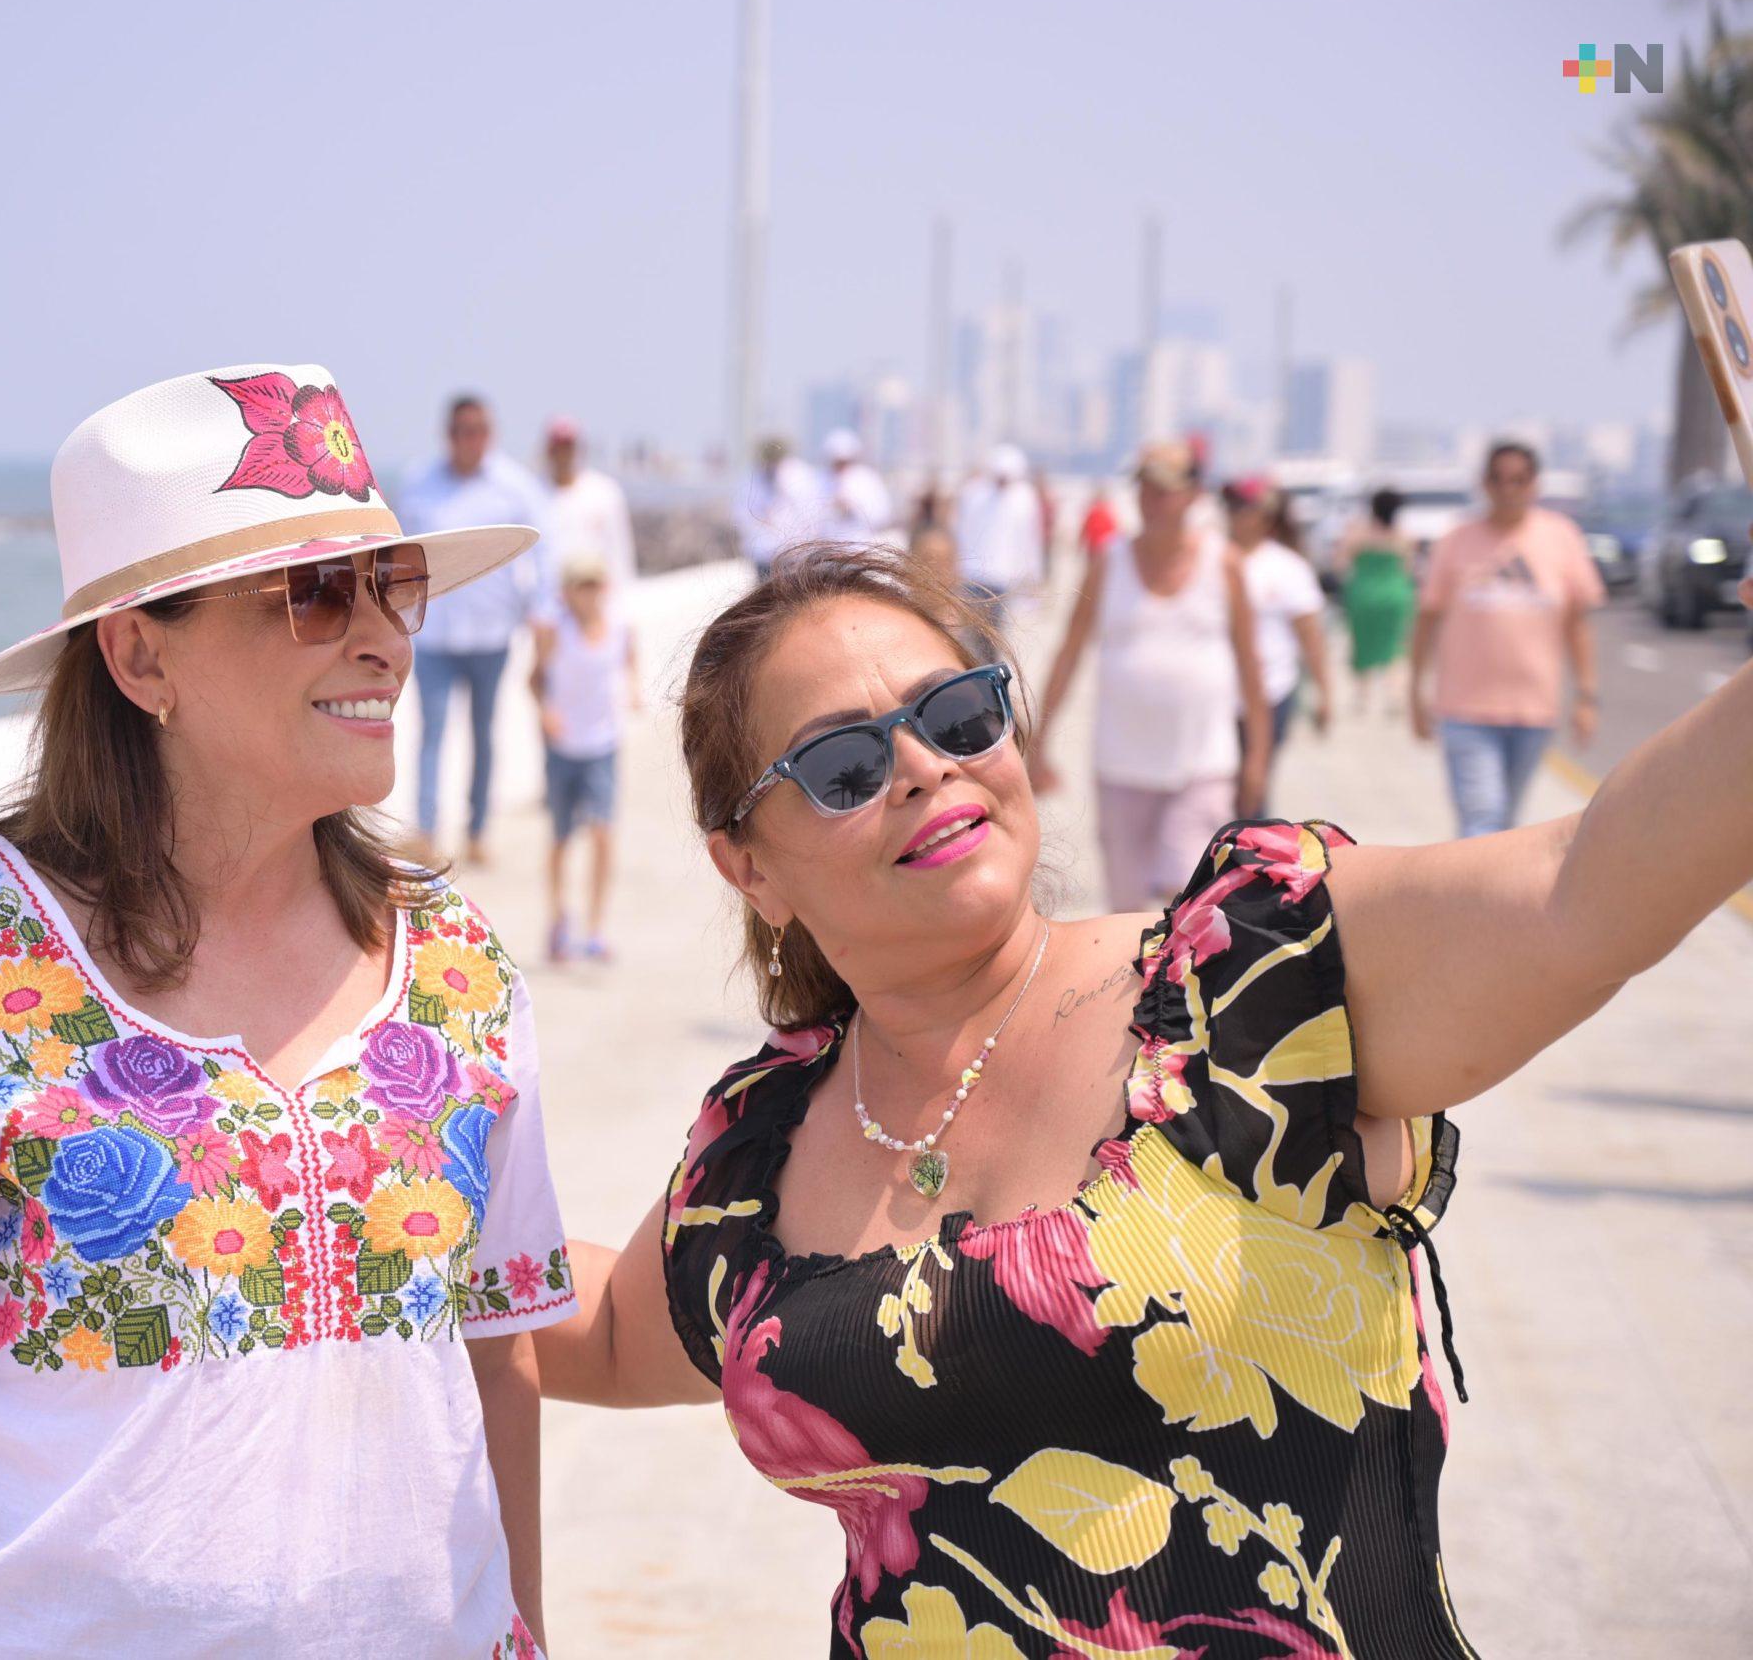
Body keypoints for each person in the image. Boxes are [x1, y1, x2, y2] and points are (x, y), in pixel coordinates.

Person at [535, 536, 1753, 1658]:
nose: (923, 766)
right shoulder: (759, 1146)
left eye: (956, 714)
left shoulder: (1247, 982)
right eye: (843, 764)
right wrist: (418, 1176)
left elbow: (1582, 885)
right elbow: (609, 1332)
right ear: (749, 865)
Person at [0, 364, 576, 1659]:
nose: (385, 639)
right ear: (140, 656)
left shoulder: (456, 962)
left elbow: (493, 1354)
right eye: (316, 592)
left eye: (392, 584)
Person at [1033, 439, 1271, 910]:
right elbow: (1069, 653)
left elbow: (1250, 667)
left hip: (1202, 764)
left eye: (1165, 490)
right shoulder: (1109, 561)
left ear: (1194, 494)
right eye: (1144, 488)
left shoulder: (1223, 563)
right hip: (1121, 766)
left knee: (1191, 903)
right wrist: (1039, 742)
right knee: (1125, 907)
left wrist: (1258, 759)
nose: (1151, 500)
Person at [1410, 441, 1603, 838]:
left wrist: (1586, 696)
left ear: (1534, 484)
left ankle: (1481, 878)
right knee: (1482, 818)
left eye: (1518, 480)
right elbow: (1427, 618)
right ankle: (1476, 880)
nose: (1508, 489)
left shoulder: (1560, 536)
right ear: (1485, 483)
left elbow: (1576, 625)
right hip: (1466, 709)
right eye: (1498, 479)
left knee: (1505, 824)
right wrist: (1414, 690)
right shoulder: (1457, 540)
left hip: (1533, 710)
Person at [399, 393, 546, 865]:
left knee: (484, 734)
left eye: (479, 430)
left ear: (490, 434)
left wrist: (539, 618)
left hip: (492, 634)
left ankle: (477, 830)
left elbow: (542, 556)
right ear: (449, 434)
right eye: (463, 431)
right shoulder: (420, 483)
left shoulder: (515, 487)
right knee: (432, 733)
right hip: (434, 635)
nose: (471, 440)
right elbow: (398, 553)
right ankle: (426, 830)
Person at [530, 552, 637, 963]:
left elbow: (629, 663)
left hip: (603, 744)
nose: (589, 595)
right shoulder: (554, 631)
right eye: (582, 587)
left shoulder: (620, 627)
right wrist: (546, 711)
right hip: (563, 747)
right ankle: (559, 918)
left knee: (603, 833)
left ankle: (595, 927)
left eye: (595, 586)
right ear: (568, 593)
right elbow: (534, 679)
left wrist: (633, 691)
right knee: (561, 837)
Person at [1224, 478, 1333, 806]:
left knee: (1254, 789)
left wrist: (1324, 693)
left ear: (1265, 515)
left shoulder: (1288, 567)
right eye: (1230, 506)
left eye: (1242, 507)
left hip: (1272, 691)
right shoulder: (1213, 559)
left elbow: (1310, 636)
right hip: (1218, 695)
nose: (1234, 514)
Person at [538, 416, 638, 614]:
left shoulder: (605, 492)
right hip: (551, 608)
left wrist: (622, 608)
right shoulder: (532, 493)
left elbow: (620, 554)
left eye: (568, 448)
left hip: (596, 604)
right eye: (558, 448)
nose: (563, 455)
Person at [1338, 486, 1418, 716]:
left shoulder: (1357, 533)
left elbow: (1341, 563)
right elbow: (1408, 568)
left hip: (1363, 594)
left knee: (1362, 644)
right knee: (1395, 646)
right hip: (1395, 595)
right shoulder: (1403, 535)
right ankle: (1394, 697)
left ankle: (1361, 697)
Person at [951, 443, 1047, 615]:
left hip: (1004, 578)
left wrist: (1032, 578)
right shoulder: (973, 493)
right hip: (972, 574)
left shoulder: (1024, 498)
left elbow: (1030, 542)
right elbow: (960, 531)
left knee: (996, 626)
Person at [740, 436, 826, 577]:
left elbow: (812, 512)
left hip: (794, 553)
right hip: (764, 554)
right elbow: (743, 514)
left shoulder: (800, 475)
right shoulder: (753, 477)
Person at [818, 428, 895, 543]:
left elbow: (882, 514)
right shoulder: (821, 479)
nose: (841, 466)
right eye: (837, 461)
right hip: (828, 545)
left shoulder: (867, 479)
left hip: (860, 545)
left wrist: (853, 508)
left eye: (844, 461)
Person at [1080, 483, 1121, 556]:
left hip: (1101, 547)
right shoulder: (1106, 512)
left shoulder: (1104, 512)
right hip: (1099, 546)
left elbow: (1084, 530)